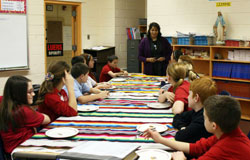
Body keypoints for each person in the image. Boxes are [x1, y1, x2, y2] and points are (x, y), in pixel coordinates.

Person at [143, 95, 250, 160]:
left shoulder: (223, 148)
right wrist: (160, 139)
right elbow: (196, 148)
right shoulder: (227, 133)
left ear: (214, 126)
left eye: (205, 117)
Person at [0, 76, 50, 154]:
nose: (33, 94)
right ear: (19, 94)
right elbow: (47, 119)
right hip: (22, 152)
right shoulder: (23, 111)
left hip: (10, 149)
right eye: (29, 92)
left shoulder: (4, 102)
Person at [173, 77, 216, 143]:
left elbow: (179, 137)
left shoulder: (202, 119)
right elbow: (177, 117)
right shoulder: (196, 111)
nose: (187, 97)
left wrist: (184, 129)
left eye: (189, 94)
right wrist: (182, 127)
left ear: (196, 98)